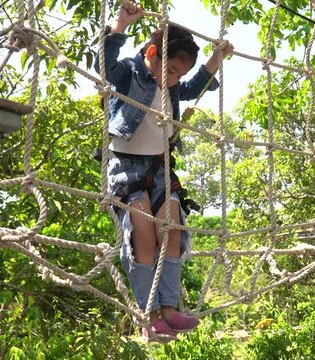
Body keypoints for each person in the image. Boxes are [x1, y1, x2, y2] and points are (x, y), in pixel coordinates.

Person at [97, 1, 233, 339]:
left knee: (171, 228)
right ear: (153, 52)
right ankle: (149, 314)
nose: (173, 80)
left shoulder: (172, 86)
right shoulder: (129, 72)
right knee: (142, 231)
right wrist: (121, 25)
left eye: (178, 75)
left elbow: (193, 86)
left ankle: (170, 307)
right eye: (171, 71)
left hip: (161, 167)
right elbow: (105, 66)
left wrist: (215, 61)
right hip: (126, 169)